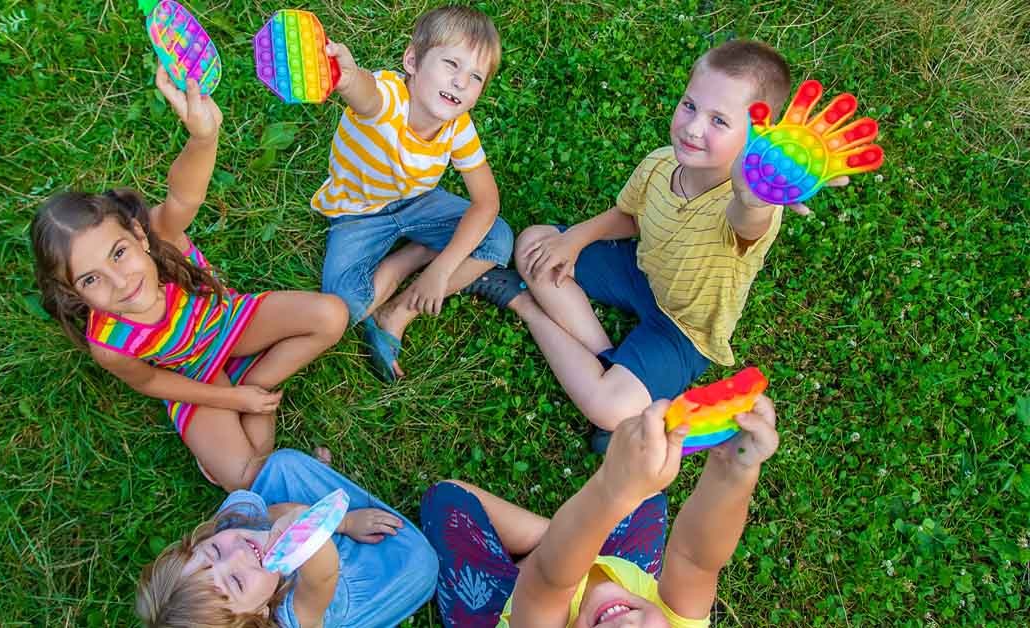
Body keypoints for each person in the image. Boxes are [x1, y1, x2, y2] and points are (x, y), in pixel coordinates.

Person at [464, 41, 841, 452]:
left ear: (756, 138)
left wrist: (752, 196)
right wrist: (574, 238)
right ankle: (606, 355)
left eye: (719, 120)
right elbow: (628, 217)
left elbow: (745, 223)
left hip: (684, 328)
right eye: (690, 105)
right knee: (536, 242)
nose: (694, 127)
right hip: (640, 270)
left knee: (610, 409)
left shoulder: (749, 205)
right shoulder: (661, 162)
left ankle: (527, 308)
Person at [31, 67, 347, 490]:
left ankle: (259, 384)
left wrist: (204, 138)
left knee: (331, 315)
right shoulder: (109, 344)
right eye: (91, 280)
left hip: (232, 323)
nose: (120, 282)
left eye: (119, 253)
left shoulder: (165, 239)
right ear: (73, 292)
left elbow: (184, 195)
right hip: (194, 377)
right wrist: (231, 399)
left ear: (139, 234)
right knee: (246, 481)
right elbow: (154, 381)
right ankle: (254, 419)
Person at [422, 396, 780, 627]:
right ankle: (574, 536)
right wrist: (735, 468)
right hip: (588, 571)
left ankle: (564, 538)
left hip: (512, 604)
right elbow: (696, 559)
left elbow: (550, 580)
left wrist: (615, 488)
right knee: (648, 491)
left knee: (448, 499)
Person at [313, 5, 514, 381]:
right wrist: (348, 76)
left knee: (499, 239)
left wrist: (442, 268)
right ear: (412, 61)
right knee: (342, 307)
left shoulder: (458, 128)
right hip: (357, 214)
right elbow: (364, 93)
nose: (459, 82)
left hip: (418, 203)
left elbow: (487, 201)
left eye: (474, 77)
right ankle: (411, 256)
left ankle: (399, 311)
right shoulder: (388, 97)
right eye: (450, 64)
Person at [137, 449, 438, 627]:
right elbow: (323, 573)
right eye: (237, 582)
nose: (238, 554)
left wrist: (325, 520)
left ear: (196, 543)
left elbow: (270, 513)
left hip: (301, 532)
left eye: (214, 550)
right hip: (336, 578)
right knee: (421, 563)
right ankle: (330, 512)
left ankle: (326, 508)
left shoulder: (229, 528)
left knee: (283, 464)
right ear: (258, 614)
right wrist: (331, 525)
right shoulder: (294, 616)